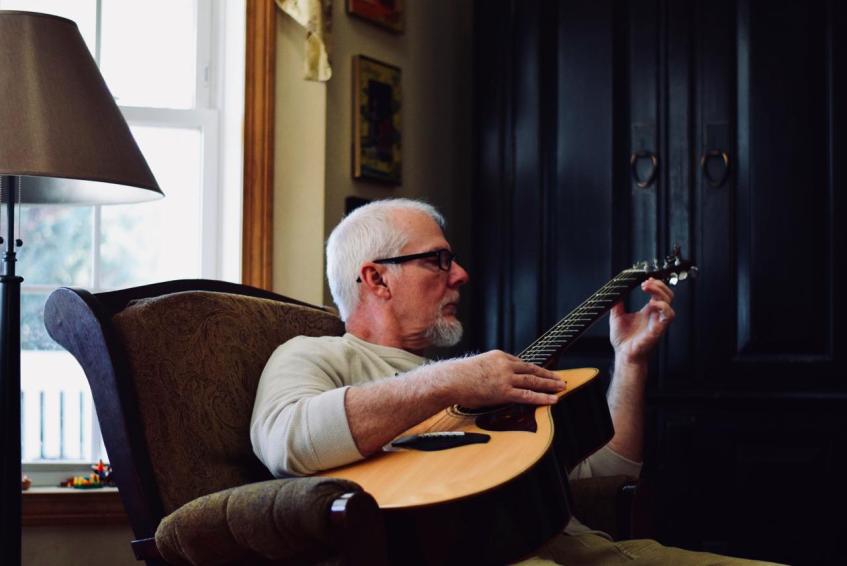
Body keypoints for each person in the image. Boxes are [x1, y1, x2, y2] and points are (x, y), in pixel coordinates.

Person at [250, 198, 779, 565]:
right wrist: (449, 381)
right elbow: (288, 441)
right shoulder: (316, 355)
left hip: (594, 553)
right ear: (377, 278)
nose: (461, 274)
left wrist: (631, 360)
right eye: (439, 260)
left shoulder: (482, 381)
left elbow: (608, 471)